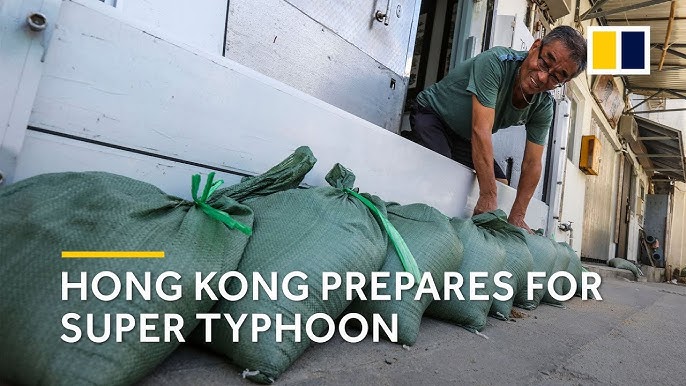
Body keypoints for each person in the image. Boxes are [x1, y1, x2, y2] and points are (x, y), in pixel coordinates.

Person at [403, 26, 587, 232]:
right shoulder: (495, 62)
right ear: (536, 46)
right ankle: (411, 144)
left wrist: (517, 215)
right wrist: (487, 195)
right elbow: (481, 130)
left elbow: (532, 163)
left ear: (565, 81)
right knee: (444, 168)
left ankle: (465, 228)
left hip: (464, 136)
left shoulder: (543, 106)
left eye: (556, 77)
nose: (543, 77)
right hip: (433, 114)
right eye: (545, 62)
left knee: (500, 181)